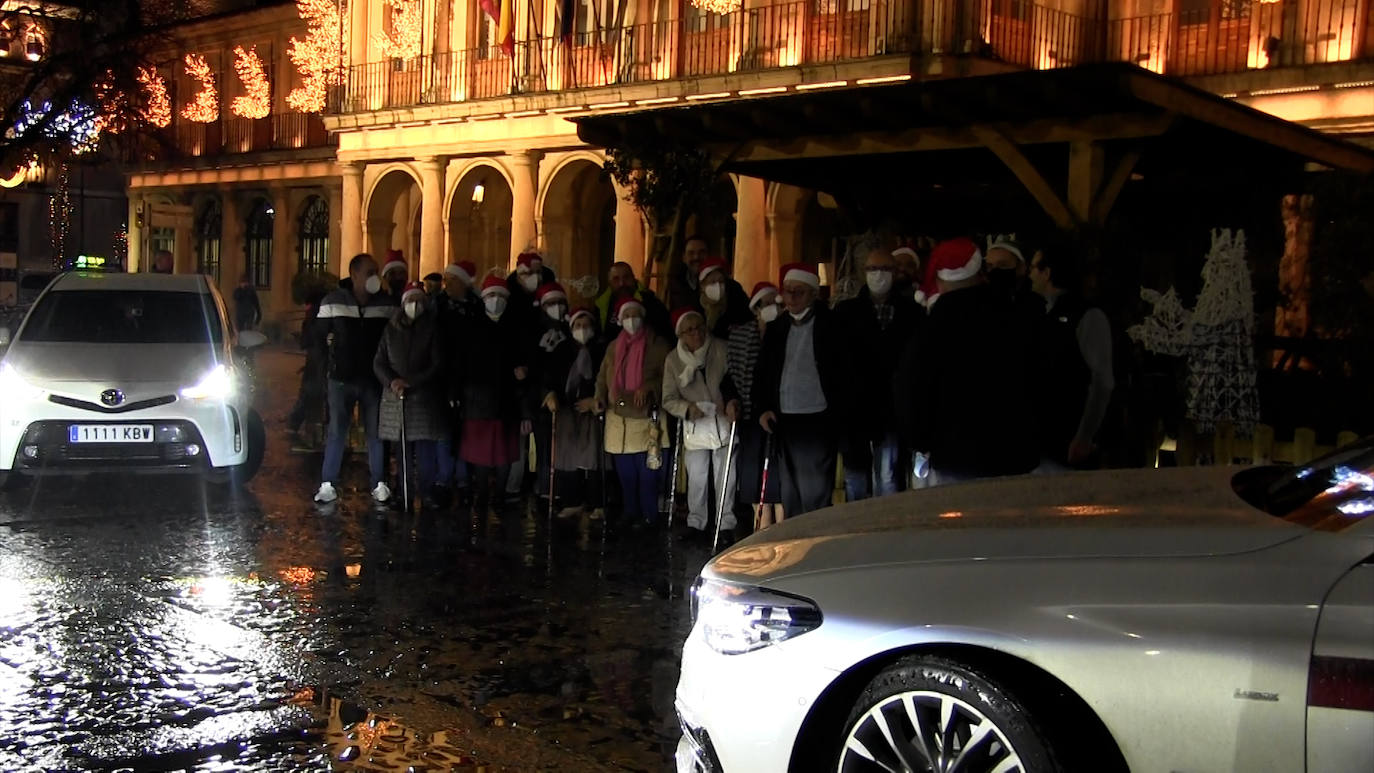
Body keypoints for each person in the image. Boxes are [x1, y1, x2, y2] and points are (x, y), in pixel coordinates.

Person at [898, 238, 1038, 485]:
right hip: (1015, 452)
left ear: (939, 280)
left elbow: (913, 389)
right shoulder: (1017, 317)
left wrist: (920, 442)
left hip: (955, 456)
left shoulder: (932, 329)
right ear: (980, 273)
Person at [753, 263, 846, 518]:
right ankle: (795, 545)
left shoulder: (831, 325)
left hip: (817, 417)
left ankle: (815, 544)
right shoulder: (777, 328)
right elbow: (762, 373)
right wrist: (762, 408)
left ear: (813, 294)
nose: (791, 298)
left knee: (814, 489)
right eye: (788, 291)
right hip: (784, 417)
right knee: (790, 490)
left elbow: (842, 372)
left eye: (799, 293)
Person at [834, 247, 922, 500]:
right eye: (872, 269)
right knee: (855, 478)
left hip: (892, 410)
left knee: (889, 476)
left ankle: (886, 532)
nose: (878, 275)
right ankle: (856, 532)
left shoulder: (911, 312)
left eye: (884, 269)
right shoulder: (846, 312)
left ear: (895, 273)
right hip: (855, 408)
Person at [313, 254, 399, 505]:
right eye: (370, 271)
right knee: (337, 431)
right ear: (354, 275)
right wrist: (325, 369)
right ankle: (328, 483)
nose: (375, 276)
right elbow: (317, 338)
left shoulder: (385, 304)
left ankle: (379, 482)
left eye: (377, 271)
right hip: (341, 379)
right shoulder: (333, 302)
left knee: (375, 433)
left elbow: (394, 339)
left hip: (373, 380)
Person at [1029, 242, 1115, 470]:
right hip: (1043, 442)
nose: (1029, 275)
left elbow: (1102, 381)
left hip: (1069, 445)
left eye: (1033, 268)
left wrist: (1085, 435)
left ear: (1047, 273)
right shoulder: (1041, 315)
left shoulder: (1087, 316)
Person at [663, 308, 741, 545]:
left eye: (699, 327)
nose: (696, 333)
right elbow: (668, 398)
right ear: (680, 335)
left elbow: (736, 381)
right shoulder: (673, 360)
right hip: (696, 425)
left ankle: (725, 524)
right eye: (689, 330)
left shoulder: (722, 348)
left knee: (726, 477)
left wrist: (733, 402)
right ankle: (697, 523)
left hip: (723, 421)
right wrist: (687, 408)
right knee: (696, 478)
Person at [455, 275, 532, 509]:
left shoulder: (517, 327)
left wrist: (525, 405)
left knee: (503, 454)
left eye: (500, 295)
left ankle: (499, 495)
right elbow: (460, 366)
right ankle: (481, 496)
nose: (495, 300)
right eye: (490, 296)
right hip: (477, 403)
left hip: (507, 403)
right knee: (480, 454)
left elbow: (527, 366)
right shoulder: (471, 326)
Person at [595, 295, 671, 529]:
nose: (631, 320)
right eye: (626, 316)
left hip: (646, 417)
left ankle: (649, 514)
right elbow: (602, 377)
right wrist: (599, 397)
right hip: (618, 419)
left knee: (648, 471)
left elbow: (668, 378)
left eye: (635, 315)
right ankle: (630, 512)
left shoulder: (658, 344)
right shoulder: (613, 346)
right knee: (626, 472)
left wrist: (649, 387)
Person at [375, 281, 447, 507]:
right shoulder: (390, 329)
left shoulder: (432, 329)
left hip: (423, 398)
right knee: (402, 449)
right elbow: (379, 362)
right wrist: (392, 381)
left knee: (425, 449)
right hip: (396, 398)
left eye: (418, 301)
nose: (414, 305)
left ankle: (426, 491)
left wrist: (412, 382)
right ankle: (403, 490)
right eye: (410, 301)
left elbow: (437, 364)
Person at [538, 306, 607, 519]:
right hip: (567, 410)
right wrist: (549, 395)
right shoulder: (562, 350)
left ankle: (598, 503)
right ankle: (572, 500)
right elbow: (547, 377)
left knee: (594, 459)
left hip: (592, 411)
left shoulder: (601, 350)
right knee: (568, 457)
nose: (582, 329)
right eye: (578, 325)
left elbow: (606, 379)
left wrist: (595, 400)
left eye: (586, 325)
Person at [728, 282, 784, 530]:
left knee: (779, 481)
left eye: (776, 303)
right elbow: (730, 376)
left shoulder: (786, 332)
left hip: (781, 416)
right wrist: (731, 399)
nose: (771, 307)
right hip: (750, 418)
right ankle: (761, 528)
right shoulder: (742, 336)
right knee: (753, 477)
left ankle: (781, 531)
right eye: (766, 303)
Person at [530, 282, 571, 501]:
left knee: (563, 447)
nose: (556, 307)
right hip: (543, 398)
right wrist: (545, 392)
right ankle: (545, 488)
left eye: (560, 303)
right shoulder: (535, 330)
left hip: (567, 396)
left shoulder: (570, 328)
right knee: (545, 446)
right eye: (551, 303)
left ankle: (563, 489)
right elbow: (533, 366)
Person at [287, 284, 330, 445]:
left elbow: (307, 340)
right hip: (321, 361)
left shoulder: (312, 315)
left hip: (315, 362)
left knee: (309, 395)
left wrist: (301, 338)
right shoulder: (324, 314)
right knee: (320, 396)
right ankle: (317, 431)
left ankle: (302, 427)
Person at [594, 261, 672, 341]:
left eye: (626, 277)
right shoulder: (602, 306)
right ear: (610, 282)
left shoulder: (651, 302)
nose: (622, 283)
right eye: (616, 279)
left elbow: (665, 333)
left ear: (633, 278)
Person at [696, 257, 752, 340]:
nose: (718, 286)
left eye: (721, 281)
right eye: (713, 282)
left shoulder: (736, 301)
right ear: (703, 286)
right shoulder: (696, 307)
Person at [668, 235, 710, 310]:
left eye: (702, 252)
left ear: (708, 255)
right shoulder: (676, 284)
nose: (696, 257)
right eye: (691, 253)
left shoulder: (723, 284)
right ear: (684, 257)